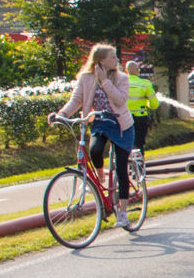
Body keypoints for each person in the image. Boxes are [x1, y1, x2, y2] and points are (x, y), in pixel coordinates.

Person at [49, 44, 135, 216]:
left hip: (121, 125)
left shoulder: (122, 78)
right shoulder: (86, 78)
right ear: (101, 60)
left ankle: (123, 212)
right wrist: (62, 114)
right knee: (94, 150)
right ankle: (99, 176)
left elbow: (120, 100)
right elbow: (76, 100)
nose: (117, 60)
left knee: (120, 168)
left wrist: (105, 81)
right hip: (100, 123)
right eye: (113, 57)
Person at [125, 59, 157, 166]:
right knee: (139, 143)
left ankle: (127, 166)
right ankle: (139, 166)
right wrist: (147, 103)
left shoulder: (121, 84)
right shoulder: (145, 84)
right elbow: (154, 104)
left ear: (126, 71)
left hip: (124, 118)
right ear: (138, 71)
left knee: (125, 143)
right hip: (140, 118)